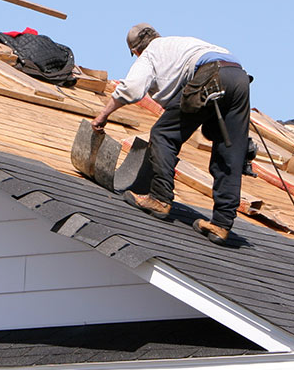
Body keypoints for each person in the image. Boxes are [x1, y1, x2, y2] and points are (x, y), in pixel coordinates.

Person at [92, 24, 252, 245]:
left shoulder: (150, 54)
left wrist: (103, 115)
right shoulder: (178, 45)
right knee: (230, 150)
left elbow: (133, 88)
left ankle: (159, 198)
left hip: (210, 75)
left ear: (136, 51)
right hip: (239, 77)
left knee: (163, 134)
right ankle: (222, 224)